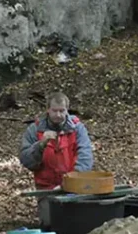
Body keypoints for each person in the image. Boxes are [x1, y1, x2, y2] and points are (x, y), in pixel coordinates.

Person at [19, 92, 93, 226]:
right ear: (48, 109)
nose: (58, 115)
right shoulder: (34, 129)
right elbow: (26, 160)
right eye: (54, 111)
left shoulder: (77, 128)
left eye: (62, 111)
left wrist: (71, 180)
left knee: (79, 223)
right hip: (47, 188)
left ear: (67, 110)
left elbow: (85, 156)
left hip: (74, 187)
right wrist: (41, 145)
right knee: (50, 223)